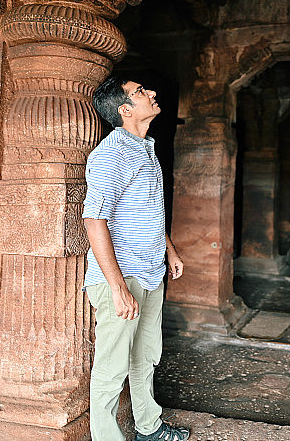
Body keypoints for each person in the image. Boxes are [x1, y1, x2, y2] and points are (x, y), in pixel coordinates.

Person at [83, 75, 190, 441]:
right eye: (142, 92)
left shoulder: (144, 147)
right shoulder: (111, 154)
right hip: (121, 277)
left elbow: (147, 212)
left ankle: (149, 427)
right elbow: (94, 220)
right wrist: (116, 287)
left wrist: (169, 251)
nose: (153, 93)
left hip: (148, 272)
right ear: (126, 110)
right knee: (112, 369)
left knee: (146, 358)